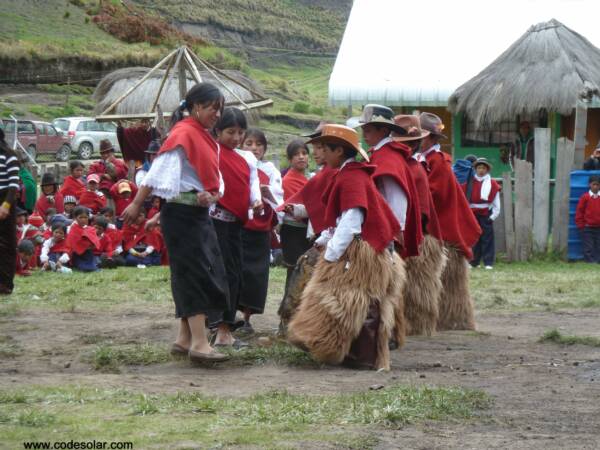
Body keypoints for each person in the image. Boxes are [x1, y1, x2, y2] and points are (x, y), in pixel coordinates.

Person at [122, 82, 230, 363]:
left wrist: (210, 195)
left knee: (192, 271)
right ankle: (199, 343)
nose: (217, 114)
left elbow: (194, 181)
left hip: (191, 214)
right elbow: (158, 173)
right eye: (211, 108)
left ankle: (184, 339)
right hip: (183, 217)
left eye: (220, 109)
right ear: (195, 106)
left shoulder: (200, 136)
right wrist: (136, 204)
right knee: (194, 274)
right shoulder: (184, 134)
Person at [287, 124, 405, 370]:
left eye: (324, 149)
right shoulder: (348, 174)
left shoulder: (352, 177)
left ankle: (363, 356)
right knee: (354, 300)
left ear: (338, 151)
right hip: (359, 247)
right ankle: (352, 352)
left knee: (357, 300)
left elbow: (352, 220)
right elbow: (341, 220)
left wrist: (331, 254)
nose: (320, 154)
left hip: (363, 251)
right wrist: (325, 242)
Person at [418, 112, 481, 331]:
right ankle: (445, 320)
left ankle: (454, 321)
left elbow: (434, 196)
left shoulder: (439, 163)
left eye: (420, 136)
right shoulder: (425, 160)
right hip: (435, 231)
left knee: (451, 284)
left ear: (430, 139)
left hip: (445, 234)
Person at [209, 107, 262, 346]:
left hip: (236, 225)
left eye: (241, 132)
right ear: (217, 131)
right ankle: (212, 327)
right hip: (213, 222)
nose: (237, 138)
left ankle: (224, 329)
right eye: (231, 132)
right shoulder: (212, 151)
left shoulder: (247, 157)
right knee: (215, 274)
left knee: (234, 275)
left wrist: (256, 200)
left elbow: (253, 183)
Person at [391, 114, 447, 336]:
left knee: (418, 287)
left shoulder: (417, 167)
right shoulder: (413, 165)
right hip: (416, 235)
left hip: (421, 236)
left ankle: (417, 326)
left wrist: (414, 236)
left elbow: (424, 208)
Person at [357, 104, 422, 259]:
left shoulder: (388, 158)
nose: (364, 134)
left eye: (368, 130)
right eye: (363, 129)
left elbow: (397, 198)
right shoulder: (380, 154)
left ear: (384, 130)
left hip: (384, 233)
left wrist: (395, 233)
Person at [237, 128, 280, 333]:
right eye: (249, 143)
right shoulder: (235, 163)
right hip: (239, 225)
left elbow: (279, 199)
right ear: (241, 145)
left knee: (256, 274)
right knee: (235, 270)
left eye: (259, 144)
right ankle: (225, 316)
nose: (254, 148)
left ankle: (246, 318)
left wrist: (267, 193)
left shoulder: (270, 170)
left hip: (261, 228)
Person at [280, 140, 312, 295]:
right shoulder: (288, 181)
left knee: (304, 271)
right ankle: (286, 315)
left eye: (304, 153)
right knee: (293, 270)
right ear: (290, 159)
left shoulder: (310, 180)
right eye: (296, 154)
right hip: (292, 230)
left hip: (306, 231)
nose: (301, 157)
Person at [464, 158, 501, 269]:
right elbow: (465, 199)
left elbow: (496, 202)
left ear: (487, 170)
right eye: (479, 167)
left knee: (487, 238)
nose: (481, 170)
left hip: (486, 214)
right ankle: (474, 262)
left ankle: (488, 262)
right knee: (474, 238)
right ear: (475, 169)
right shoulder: (470, 182)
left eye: (483, 168)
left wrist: (493, 216)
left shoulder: (492, 184)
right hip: (472, 214)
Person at [0, 129, 20, 294]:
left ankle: (6, 283)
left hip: (6, 200)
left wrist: (6, 205)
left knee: (7, 244)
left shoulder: (10, 155)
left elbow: (14, 185)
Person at [66, 206, 100, 272]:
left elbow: (95, 241)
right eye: (80, 217)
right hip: (76, 255)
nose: (83, 220)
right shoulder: (72, 229)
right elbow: (71, 245)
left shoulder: (90, 229)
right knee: (85, 268)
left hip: (88, 253)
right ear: (75, 218)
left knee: (91, 264)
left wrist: (91, 245)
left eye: (85, 217)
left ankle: (92, 265)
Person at [575, 175, 600, 263]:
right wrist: (581, 225)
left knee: (598, 246)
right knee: (588, 246)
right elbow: (579, 212)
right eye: (594, 184)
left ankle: (597, 261)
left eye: (597, 185)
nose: (596, 187)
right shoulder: (585, 197)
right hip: (587, 228)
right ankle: (590, 261)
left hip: (599, 228)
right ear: (589, 185)